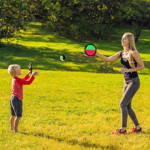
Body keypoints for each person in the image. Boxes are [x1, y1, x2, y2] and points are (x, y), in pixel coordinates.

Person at [96, 32, 144, 134]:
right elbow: (108, 59)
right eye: (122, 39)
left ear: (129, 41)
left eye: (124, 39)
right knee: (127, 105)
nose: (122, 41)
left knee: (122, 104)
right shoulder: (121, 53)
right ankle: (138, 128)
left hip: (134, 81)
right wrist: (96, 53)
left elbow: (142, 66)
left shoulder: (133, 52)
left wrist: (128, 70)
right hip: (126, 81)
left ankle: (123, 129)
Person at [8, 64, 38, 133]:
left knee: (13, 115)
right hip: (17, 99)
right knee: (18, 116)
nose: (21, 70)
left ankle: (11, 128)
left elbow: (23, 80)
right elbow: (28, 82)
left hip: (12, 99)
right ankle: (15, 130)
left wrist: (28, 74)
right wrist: (32, 76)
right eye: (19, 69)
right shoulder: (17, 80)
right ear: (16, 72)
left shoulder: (15, 79)